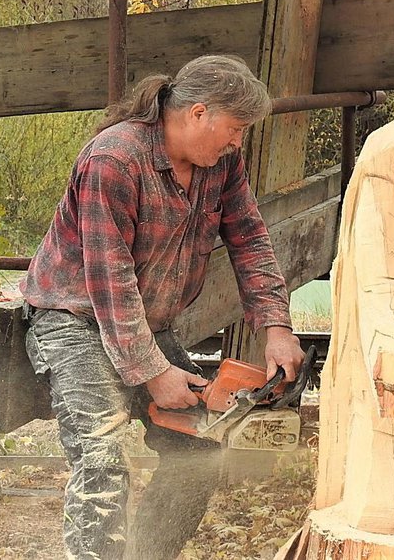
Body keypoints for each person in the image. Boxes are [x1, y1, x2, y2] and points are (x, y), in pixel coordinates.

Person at [21, 55, 306, 560]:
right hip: (75, 321)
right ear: (198, 113)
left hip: (145, 323)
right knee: (102, 462)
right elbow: (109, 278)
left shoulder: (220, 166)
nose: (237, 141)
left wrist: (277, 326)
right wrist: (153, 370)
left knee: (198, 447)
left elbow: (250, 241)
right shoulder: (113, 159)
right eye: (235, 128)